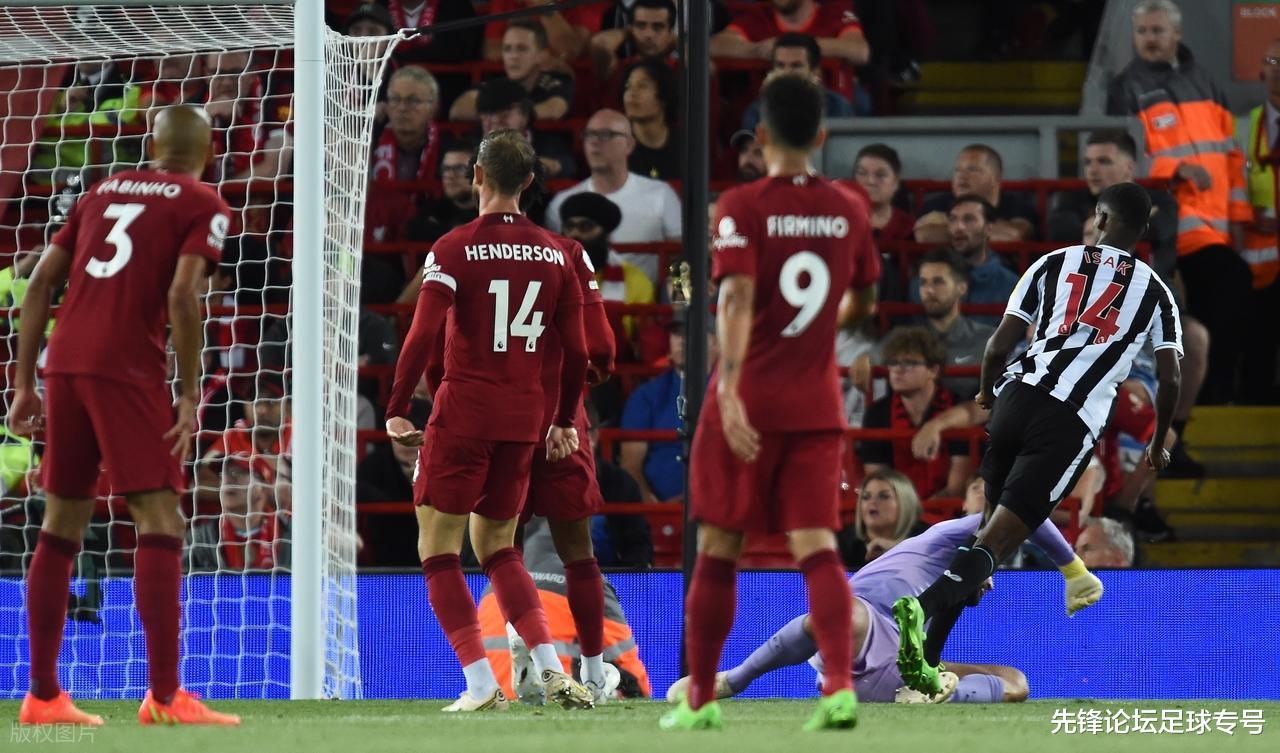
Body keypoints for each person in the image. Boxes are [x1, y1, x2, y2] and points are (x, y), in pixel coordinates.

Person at [892, 182, 1182, 697]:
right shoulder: (1156, 291)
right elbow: (1172, 376)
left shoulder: (1051, 263)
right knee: (998, 543)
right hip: (1069, 418)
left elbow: (998, 343)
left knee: (983, 544)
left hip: (1016, 397)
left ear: (1099, 218)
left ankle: (924, 673)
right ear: (1142, 230)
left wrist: (987, 392)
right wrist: (1158, 442)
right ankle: (921, 605)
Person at [660, 74, 879, 732]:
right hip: (816, 404)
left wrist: (728, 388)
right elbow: (864, 300)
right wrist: (816, 326)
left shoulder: (742, 205)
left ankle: (701, 698)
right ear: (822, 135)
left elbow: (734, 297)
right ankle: (838, 688)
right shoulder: (850, 207)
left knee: (719, 547)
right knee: (818, 548)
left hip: (750, 400)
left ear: (760, 136)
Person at [9, 105, 239, 726]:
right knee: (160, 516)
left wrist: (23, 383)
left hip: (64, 363)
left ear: (153, 145)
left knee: (61, 522)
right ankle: (165, 696)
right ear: (208, 151)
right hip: (126, 368)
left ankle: (43, 696)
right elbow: (183, 294)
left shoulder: (102, 190)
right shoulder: (204, 202)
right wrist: (189, 392)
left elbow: (39, 285)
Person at [384, 130, 594, 712]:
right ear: (527, 181)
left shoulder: (454, 247)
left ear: (476, 175)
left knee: (439, 550)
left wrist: (397, 407)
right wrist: (562, 418)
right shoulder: (557, 253)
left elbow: (421, 334)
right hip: (524, 420)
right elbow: (579, 352)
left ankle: (480, 685)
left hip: (465, 413)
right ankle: (552, 668)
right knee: (499, 546)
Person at [667, 512, 1102, 706]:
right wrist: (1072, 567)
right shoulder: (950, 535)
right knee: (841, 612)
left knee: (1017, 682)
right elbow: (1030, 517)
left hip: (899, 668)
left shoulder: (960, 578)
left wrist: (962, 597)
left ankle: (927, 693)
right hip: (858, 644)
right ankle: (732, 681)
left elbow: (929, 647)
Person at [1105, 0, 1251, 404]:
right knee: (1222, 291)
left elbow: (1231, 155)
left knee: (1230, 298)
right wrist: (1176, 169)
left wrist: (1239, 220)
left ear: (1177, 33)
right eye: (1142, 32)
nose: (1148, 39)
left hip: (1215, 228)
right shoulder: (1125, 87)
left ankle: (1216, 392)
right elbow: (1121, 158)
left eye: (1157, 30)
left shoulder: (1205, 81)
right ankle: (1207, 394)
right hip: (1167, 224)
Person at [1048, 128, 1208, 474]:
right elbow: (1059, 229)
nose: (1093, 170)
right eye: (1088, 162)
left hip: (1152, 311)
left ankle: (1173, 437)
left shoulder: (1160, 199)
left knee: (1195, 338)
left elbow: (1161, 229)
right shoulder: (1069, 200)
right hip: (1089, 314)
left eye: (1104, 161)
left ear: (1130, 168)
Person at [478, 517, 650, 704]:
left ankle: (498, 684)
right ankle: (584, 682)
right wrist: (640, 690)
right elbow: (629, 667)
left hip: (498, 697)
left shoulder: (493, 585)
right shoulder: (589, 584)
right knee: (612, 675)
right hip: (563, 696)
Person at [544, 109, 682, 283]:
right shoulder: (562, 203)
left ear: (629, 144)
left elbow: (679, 257)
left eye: (605, 135)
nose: (594, 142)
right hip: (581, 296)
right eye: (589, 135)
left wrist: (671, 299)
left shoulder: (661, 194)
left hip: (645, 298)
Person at [857, 327, 970, 500]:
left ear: (933, 370)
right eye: (892, 363)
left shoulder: (955, 407)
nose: (897, 370)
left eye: (909, 363)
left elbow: (956, 488)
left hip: (946, 512)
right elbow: (877, 481)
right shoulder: (877, 413)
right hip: (897, 509)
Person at [1242, 40, 1280, 403]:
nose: (1278, 68)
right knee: (1258, 336)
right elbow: (1231, 183)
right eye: (1272, 61)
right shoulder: (1244, 126)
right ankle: (1254, 399)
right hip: (1258, 255)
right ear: (1261, 72)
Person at [912, 195, 1019, 323]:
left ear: (989, 228)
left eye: (969, 219)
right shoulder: (922, 282)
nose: (959, 227)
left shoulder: (1011, 286)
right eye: (953, 220)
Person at [450, 21, 575, 122]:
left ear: (541, 55)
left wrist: (506, 116)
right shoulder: (495, 84)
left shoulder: (556, 81)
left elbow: (554, 109)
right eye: (507, 49)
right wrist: (504, 116)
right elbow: (458, 109)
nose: (513, 56)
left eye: (522, 49)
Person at [915, 145, 1038, 243]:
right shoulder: (937, 205)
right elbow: (924, 235)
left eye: (972, 169)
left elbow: (1015, 235)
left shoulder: (1017, 206)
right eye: (957, 170)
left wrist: (953, 231)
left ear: (996, 177)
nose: (962, 176)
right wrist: (985, 231)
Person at [739, 33, 855, 134]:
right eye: (780, 65)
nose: (787, 73)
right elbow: (751, 150)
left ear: (815, 70)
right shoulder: (757, 110)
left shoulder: (838, 106)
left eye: (796, 66)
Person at [711, 0, 870, 69]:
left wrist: (789, 45)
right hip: (769, 109)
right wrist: (756, 50)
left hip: (826, 109)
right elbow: (714, 45)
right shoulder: (758, 15)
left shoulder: (834, 13)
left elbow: (860, 51)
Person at [475, 77, 576, 179]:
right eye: (487, 114)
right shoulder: (471, 145)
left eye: (505, 113)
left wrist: (545, 166)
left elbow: (567, 166)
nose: (495, 120)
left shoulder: (549, 143)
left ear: (525, 115)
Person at [838, 469, 927, 570]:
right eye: (866, 497)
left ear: (905, 503)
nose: (872, 502)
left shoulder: (925, 536)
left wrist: (897, 550)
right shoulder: (843, 542)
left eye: (884, 496)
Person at [371, 67, 442, 186]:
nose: (402, 108)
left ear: (434, 108)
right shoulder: (369, 142)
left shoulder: (446, 150)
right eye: (395, 99)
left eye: (413, 101)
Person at [621, 58, 680, 180]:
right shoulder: (617, 146)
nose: (632, 93)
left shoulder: (685, 146)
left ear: (664, 96)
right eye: (628, 86)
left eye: (642, 86)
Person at [589, 0, 678, 81]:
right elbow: (599, 44)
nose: (648, 34)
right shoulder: (621, 69)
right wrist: (627, 32)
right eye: (641, 25)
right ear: (632, 29)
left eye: (658, 27)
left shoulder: (678, 68)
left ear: (670, 32)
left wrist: (675, 39)